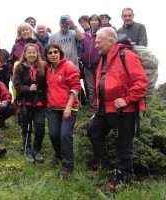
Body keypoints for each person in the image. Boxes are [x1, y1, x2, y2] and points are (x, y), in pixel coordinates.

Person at [88, 27, 148, 190]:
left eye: (99, 42)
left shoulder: (127, 55)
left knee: (123, 144)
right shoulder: (104, 58)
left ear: (111, 41)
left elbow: (141, 83)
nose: (96, 45)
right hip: (105, 108)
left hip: (124, 110)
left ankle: (124, 178)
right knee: (94, 131)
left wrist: (127, 99)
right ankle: (105, 167)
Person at [45, 43, 81, 179]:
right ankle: (59, 155)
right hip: (53, 108)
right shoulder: (48, 68)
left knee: (65, 135)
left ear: (60, 53)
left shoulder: (69, 67)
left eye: (55, 52)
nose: (53, 54)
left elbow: (76, 88)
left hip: (69, 108)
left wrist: (68, 107)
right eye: (50, 53)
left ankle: (67, 166)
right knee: (54, 135)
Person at [13, 44, 47, 163]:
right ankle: (27, 149)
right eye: (29, 52)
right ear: (25, 54)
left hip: (39, 103)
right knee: (27, 128)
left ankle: (37, 150)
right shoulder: (20, 68)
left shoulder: (43, 67)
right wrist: (28, 89)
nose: (32, 54)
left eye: (34, 52)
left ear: (37, 54)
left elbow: (47, 84)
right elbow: (17, 85)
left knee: (40, 128)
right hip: (25, 103)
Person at [81, 14, 102, 116]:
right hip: (87, 66)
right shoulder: (85, 35)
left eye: (96, 20)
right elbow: (82, 48)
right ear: (89, 22)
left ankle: (101, 107)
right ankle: (94, 109)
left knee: (100, 86)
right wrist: (80, 57)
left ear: (99, 22)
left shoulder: (102, 33)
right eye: (92, 20)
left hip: (99, 64)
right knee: (91, 88)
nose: (94, 22)